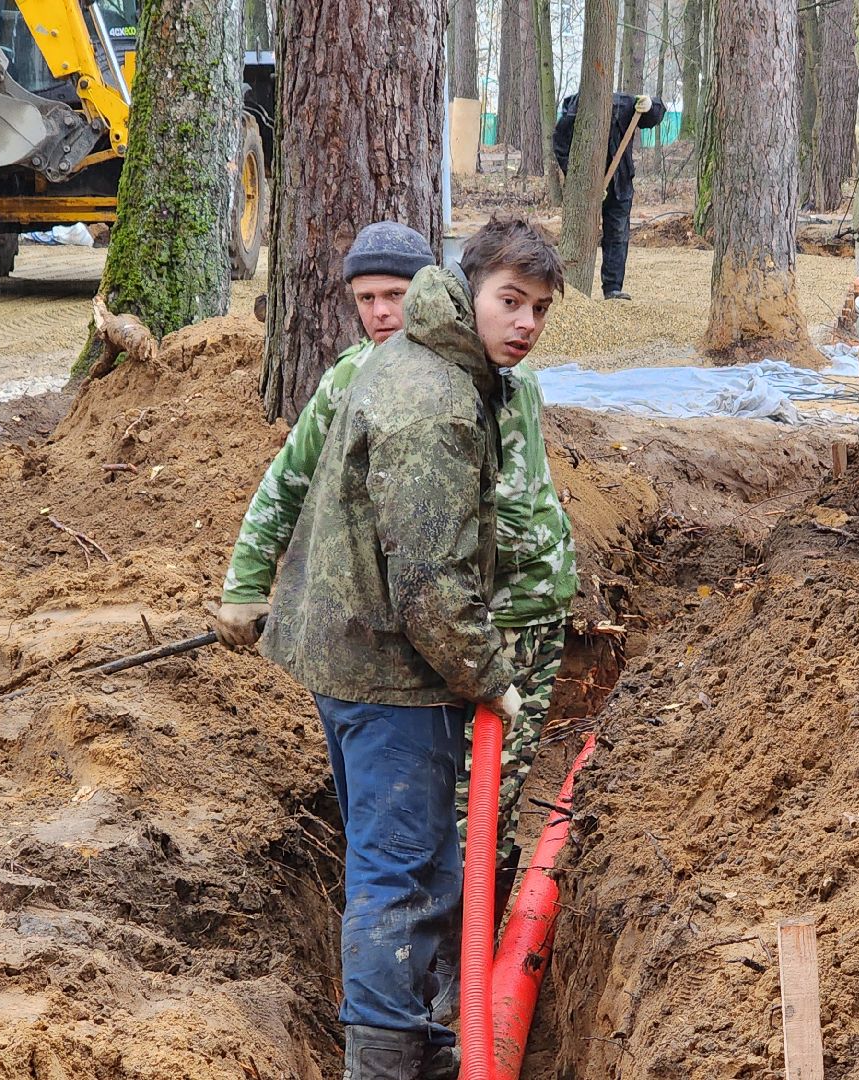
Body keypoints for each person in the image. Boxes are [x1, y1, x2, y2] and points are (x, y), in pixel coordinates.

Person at [221, 218, 567, 1080]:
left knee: (416, 866)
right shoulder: (435, 403)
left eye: (540, 309)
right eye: (510, 302)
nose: (524, 323)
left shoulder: (449, 374)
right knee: (399, 880)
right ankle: (385, 1064)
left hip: (369, 663)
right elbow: (429, 583)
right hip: (391, 677)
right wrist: (491, 675)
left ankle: (433, 1042)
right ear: (468, 289)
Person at [552, 90, 667, 300]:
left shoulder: (625, 106)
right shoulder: (574, 111)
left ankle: (613, 289)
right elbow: (560, 146)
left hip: (619, 183)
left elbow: (655, 114)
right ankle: (571, 288)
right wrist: (578, 179)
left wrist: (651, 106)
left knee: (617, 234)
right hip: (586, 188)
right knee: (581, 233)